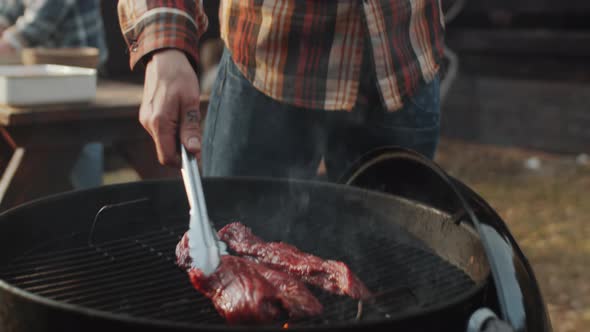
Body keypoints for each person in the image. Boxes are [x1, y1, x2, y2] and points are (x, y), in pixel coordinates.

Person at [118, 1, 444, 181]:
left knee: (398, 278)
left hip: (404, 57)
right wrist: (165, 44)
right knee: (237, 257)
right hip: (266, 68)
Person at [0, 0, 108, 189]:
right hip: (42, 74)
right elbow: (9, 8)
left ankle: (90, 205)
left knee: (83, 135)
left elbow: (42, 17)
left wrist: (9, 41)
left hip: (81, 70)